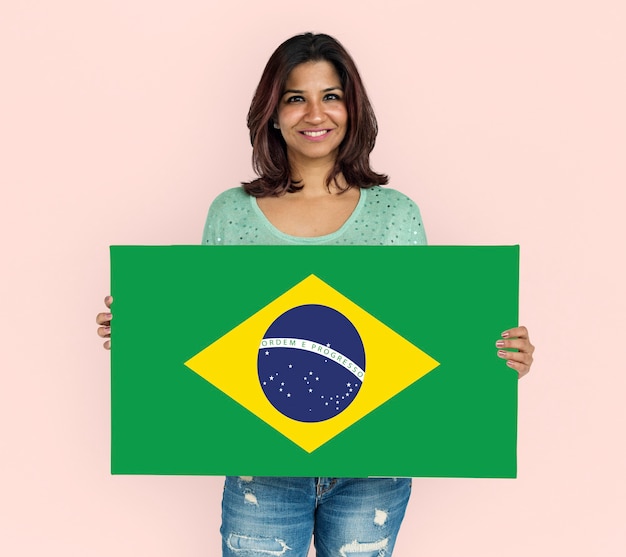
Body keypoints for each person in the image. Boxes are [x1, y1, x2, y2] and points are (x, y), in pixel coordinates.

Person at [96, 32, 534, 557]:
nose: (314, 113)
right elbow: (207, 327)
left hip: (375, 466)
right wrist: (147, 332)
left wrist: (499, 355)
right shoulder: (232, 213)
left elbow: (427, 333)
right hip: (263, 464)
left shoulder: (396, 214)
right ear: (272, 112)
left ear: (353, 108)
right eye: (295, 97)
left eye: (331, 95)